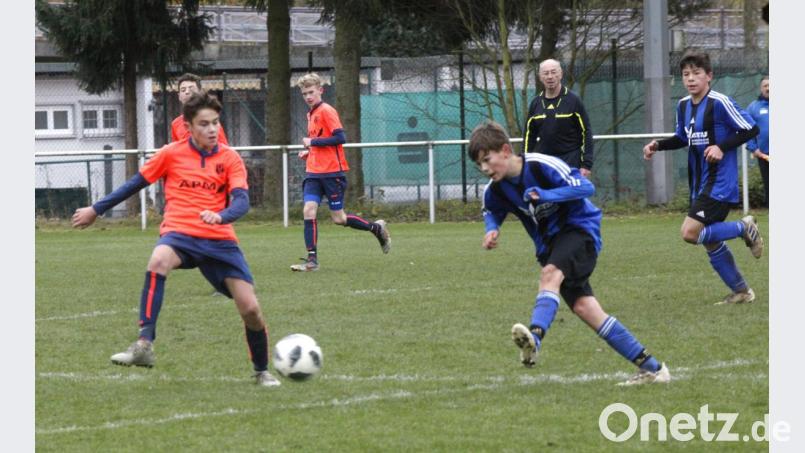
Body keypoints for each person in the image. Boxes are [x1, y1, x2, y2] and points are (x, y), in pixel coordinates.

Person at [71, 91, 281, 387]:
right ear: (188, 126)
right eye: (204, 124)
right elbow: (135, 183)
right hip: (180, 232)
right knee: (158, 260)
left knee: (250, 309)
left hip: (219, 239)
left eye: (215, 122)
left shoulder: (230, 158)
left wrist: (221, 216)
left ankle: (261, 370)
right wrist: (96, 209)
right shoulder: (170, 153)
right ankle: (144, 344)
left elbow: (242, 201)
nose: (212, 129)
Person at [469, 120, 670, 386]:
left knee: (549, 275)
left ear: (505, 150)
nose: (484, 168)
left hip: (579, 231)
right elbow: (491, 211)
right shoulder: (495, 190)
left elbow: (586, 188)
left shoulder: (542, 165)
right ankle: (653, 369)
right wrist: (492, 230)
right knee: (586, 309)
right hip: (549, 246)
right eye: (479, 164)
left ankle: (535, 337)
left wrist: (546, 194)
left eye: (487, 160)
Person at [642, 52, 762, 305]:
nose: (690, 78)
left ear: (709, 76)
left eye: (696, 73)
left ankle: (744, 228)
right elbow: (682, 137)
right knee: (710, 239)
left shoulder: (720, 102)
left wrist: (721, 147)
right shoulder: (683, 105)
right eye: (686, 74)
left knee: (690, 232)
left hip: (720, 182)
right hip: (699, 183)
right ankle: (742, 292)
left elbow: (751, 128)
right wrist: (658, 145)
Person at [290, 73, 390, 272]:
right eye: (304, 93)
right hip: (313, 173)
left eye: (311, 92)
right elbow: (320, 143)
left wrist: (312, 142)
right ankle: (312, 260)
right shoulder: (311, 114)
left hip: (332, 174)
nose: (308, 96)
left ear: (320, 90)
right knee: (308, 210)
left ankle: (376, 228)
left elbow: (340, 138)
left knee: (339, 219)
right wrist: (309, 152)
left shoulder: (327, 111)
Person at [523, 59, 594, 178]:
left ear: (560, 74)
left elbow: (586, 131)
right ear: (540, 77)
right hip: (545, 163)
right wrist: (526, 163)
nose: (550, 76)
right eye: (546, 73)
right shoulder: (535, 103)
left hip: (571, 162)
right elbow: (529, 136)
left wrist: (586, 164)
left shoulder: (573, 100)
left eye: (553, 72)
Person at [171, 73, 229, 145]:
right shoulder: (175, 124)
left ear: (200, 92)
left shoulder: (210, 120)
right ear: (179, 96)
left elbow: (223, 148)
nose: (187, 92)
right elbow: (176, 148)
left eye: (191, 89)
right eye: (183, 90)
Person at [745, 76, 769, 206]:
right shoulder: (753, 107)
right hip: (765, 155)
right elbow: (746, 130)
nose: (768, 88)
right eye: (765, 86)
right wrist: (754, 148)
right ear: (761, 88)